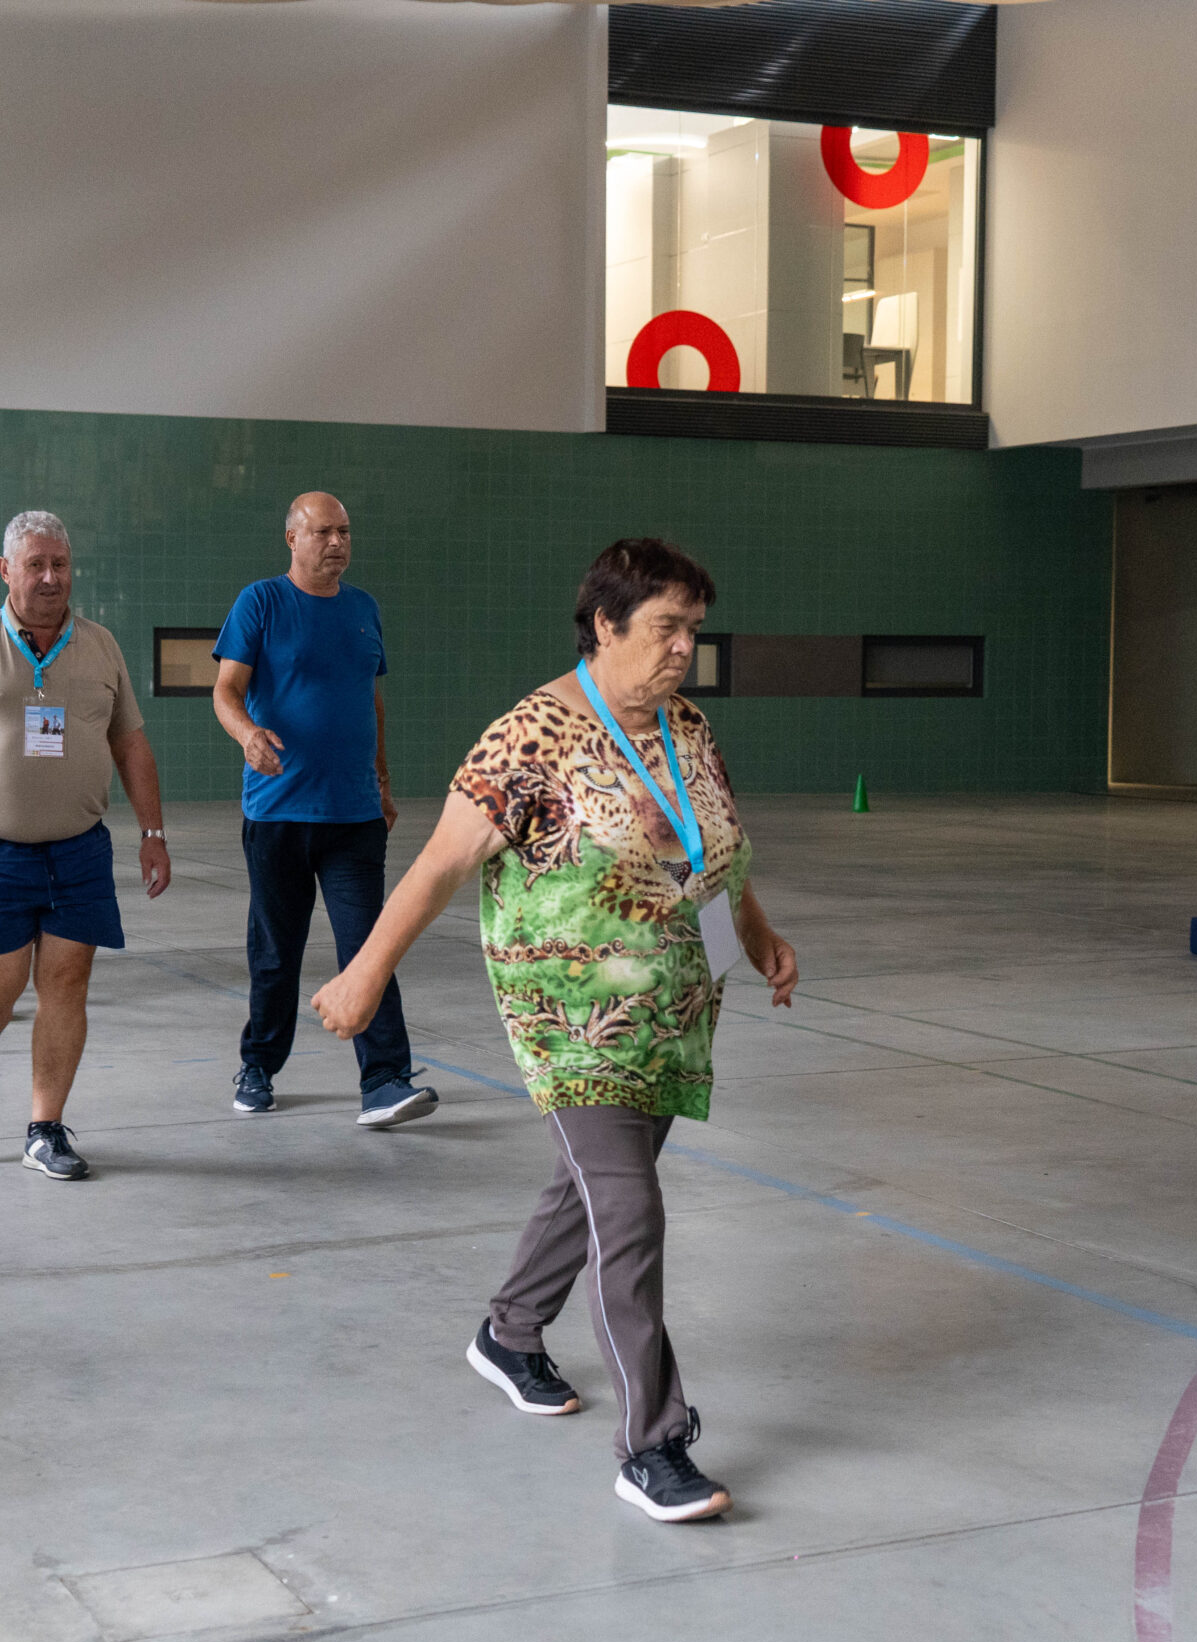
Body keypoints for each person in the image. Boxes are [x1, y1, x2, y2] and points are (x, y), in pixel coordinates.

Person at [311, 539, 800, 1524]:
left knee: (587, 1193)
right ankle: (652, 1446)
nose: (682, 652)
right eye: (666, 629)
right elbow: (442, 865)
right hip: (569, 1019)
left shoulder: (687, 728)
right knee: (628, 1210)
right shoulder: (527, 737)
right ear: (605, 626)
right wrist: (364, 972)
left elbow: (717, 851)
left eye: (693, 632)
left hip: (671, 1005)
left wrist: (756, 934)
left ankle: (509, 1330)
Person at [0, 511, 173, 1183]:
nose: (52, 577)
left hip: (79, 850)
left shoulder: (101, 646)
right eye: (36, 565)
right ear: (6, 570)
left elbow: (130, 742)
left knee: (65, 985)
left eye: (61, 563)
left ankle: (44, 1127)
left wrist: (153, 832)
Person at [211, 493, 437, 1127]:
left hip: (355, 816)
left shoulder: (364, 609)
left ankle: (386, 1079)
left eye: (344, 531)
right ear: (292, 538)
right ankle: (258, 1066)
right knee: (277, 952)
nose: (336, 542)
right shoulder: (261, 602)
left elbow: (372, 701)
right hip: (279, 812)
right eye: (323, 532)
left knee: (370, 947)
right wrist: (247, 734)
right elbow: (225, 690)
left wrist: (384, 781)